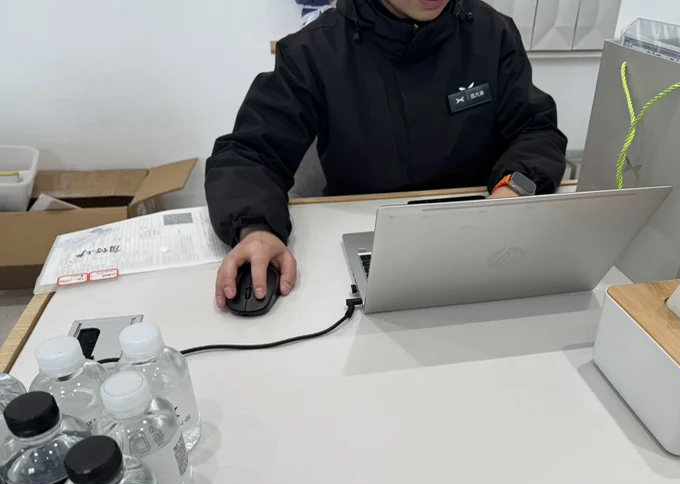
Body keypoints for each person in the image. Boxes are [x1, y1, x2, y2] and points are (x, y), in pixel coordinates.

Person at [206, 0, 567, 309]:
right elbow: (250, 153)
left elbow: (534, 130)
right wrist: (256, 230)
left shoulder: (491, 33)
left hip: (480, 245)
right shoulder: (315, 51)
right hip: (363, 244)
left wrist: (513, 190)